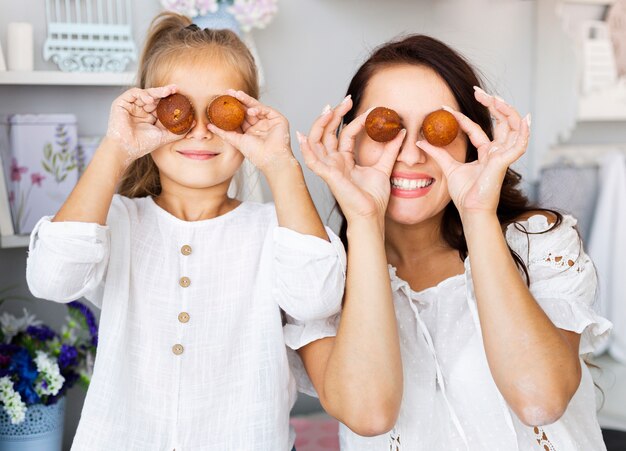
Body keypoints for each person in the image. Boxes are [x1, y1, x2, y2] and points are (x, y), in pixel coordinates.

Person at [26, 12, 347, 450]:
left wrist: (279, 163)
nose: (199, 130)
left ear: (249, 119)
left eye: (219, 113)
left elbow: (316, 298)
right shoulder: (115, 219)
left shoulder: (276, 230)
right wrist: (115, 148)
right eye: (178, 110)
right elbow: (51, 278)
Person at [299, 34, 612, 450]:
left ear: (470, 141)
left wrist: (477, 212)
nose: (410, 154)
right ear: (349, 141)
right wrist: (363, 219)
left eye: (436, 128)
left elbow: (540, 400)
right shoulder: (316, 278)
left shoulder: (539, 243)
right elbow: (368, 415)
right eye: (385, 128)